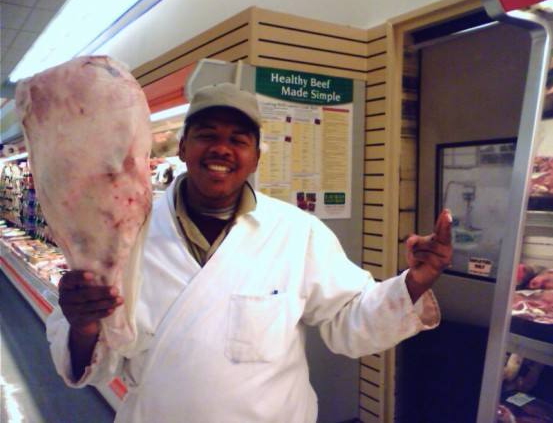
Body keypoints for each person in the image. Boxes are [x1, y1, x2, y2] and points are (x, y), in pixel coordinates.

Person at [46, 82, 452, 423]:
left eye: (238, 140)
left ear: (256, 158)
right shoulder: (125, 233)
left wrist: (413, 283)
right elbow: (96, 363)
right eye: (207, 135)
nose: (221, 149)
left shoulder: (296, 231)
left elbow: (349, 320)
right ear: (183, 148)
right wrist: (83, 326)